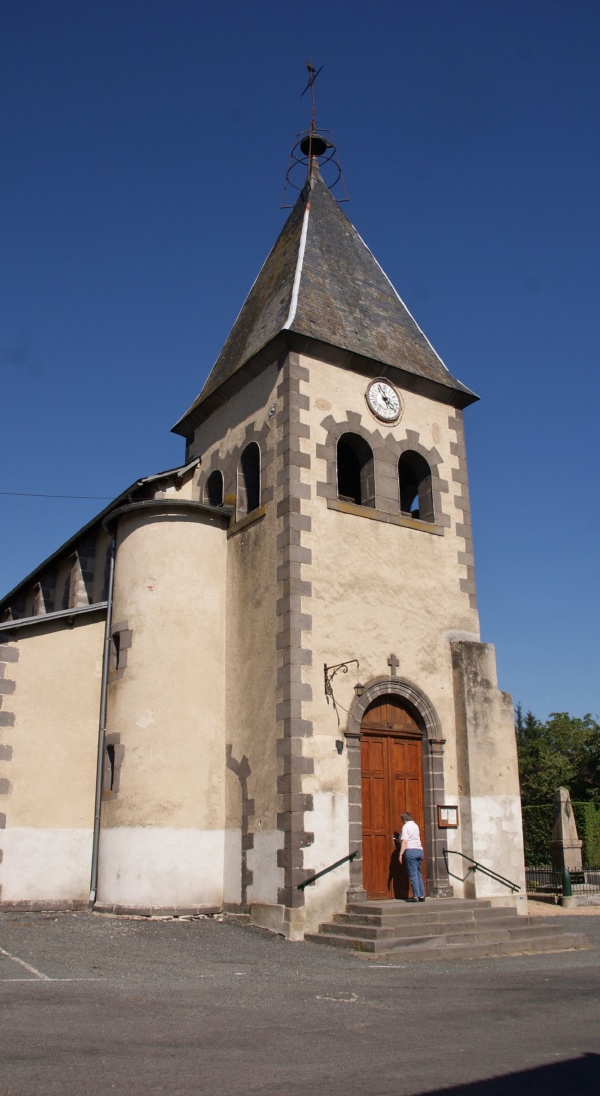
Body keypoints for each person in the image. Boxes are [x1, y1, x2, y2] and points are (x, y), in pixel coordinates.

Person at [398, 812, 425, 902]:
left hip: (411, 851)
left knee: (413, 874)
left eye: (402, 820)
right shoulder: (415, 825)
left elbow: (405, 841)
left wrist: (400, 854)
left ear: (404, 819)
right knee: (418, 873)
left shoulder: (406, 826)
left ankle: (416, 896)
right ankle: (421, 895)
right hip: (419, 850)